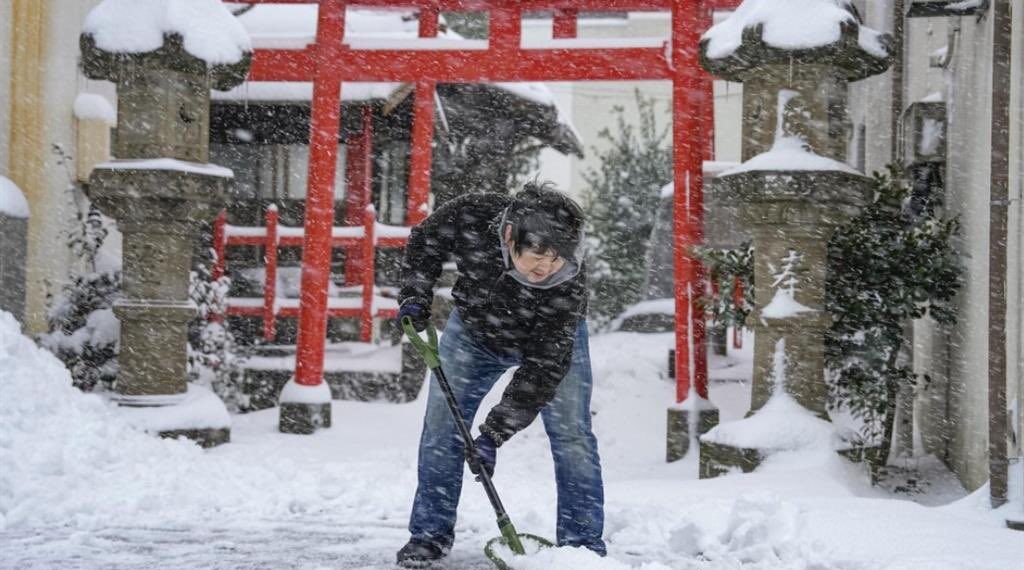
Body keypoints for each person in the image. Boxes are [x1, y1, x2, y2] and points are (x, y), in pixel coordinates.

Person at [395, 182, 605, 566]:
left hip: (548, 342)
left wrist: (493, 434)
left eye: (557, 260)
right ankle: (429, 534)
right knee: (442, 430)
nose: (546, 268)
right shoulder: (473, 213)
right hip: (474, 333)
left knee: (572, 436)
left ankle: (582, 547)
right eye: (538, 257)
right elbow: (425, 241)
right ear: (510, 236)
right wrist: (415, 294)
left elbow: (543, 368)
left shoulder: (568, 284)